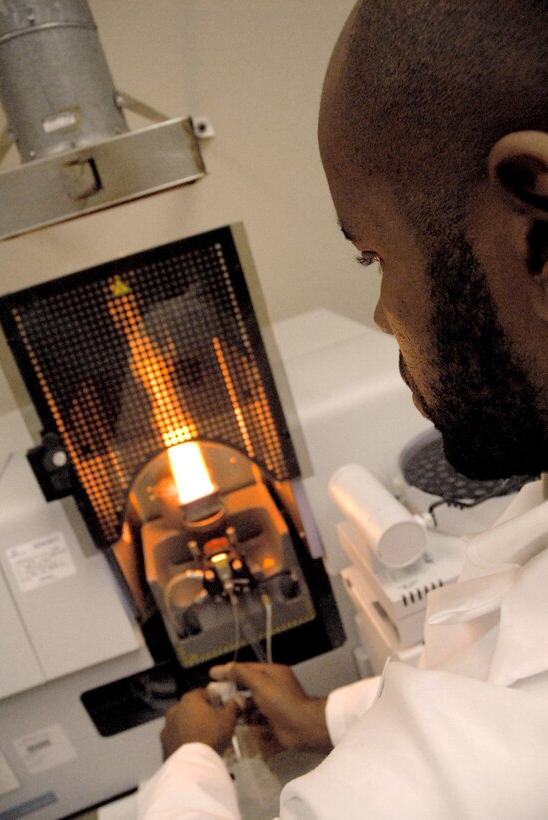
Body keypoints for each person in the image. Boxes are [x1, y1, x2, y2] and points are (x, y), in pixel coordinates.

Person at [139, 1, 548, 816]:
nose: (380, 312)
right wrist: (324, 714)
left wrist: (185, 761)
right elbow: (504, 640)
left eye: (372, 254)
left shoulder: (480, 776)